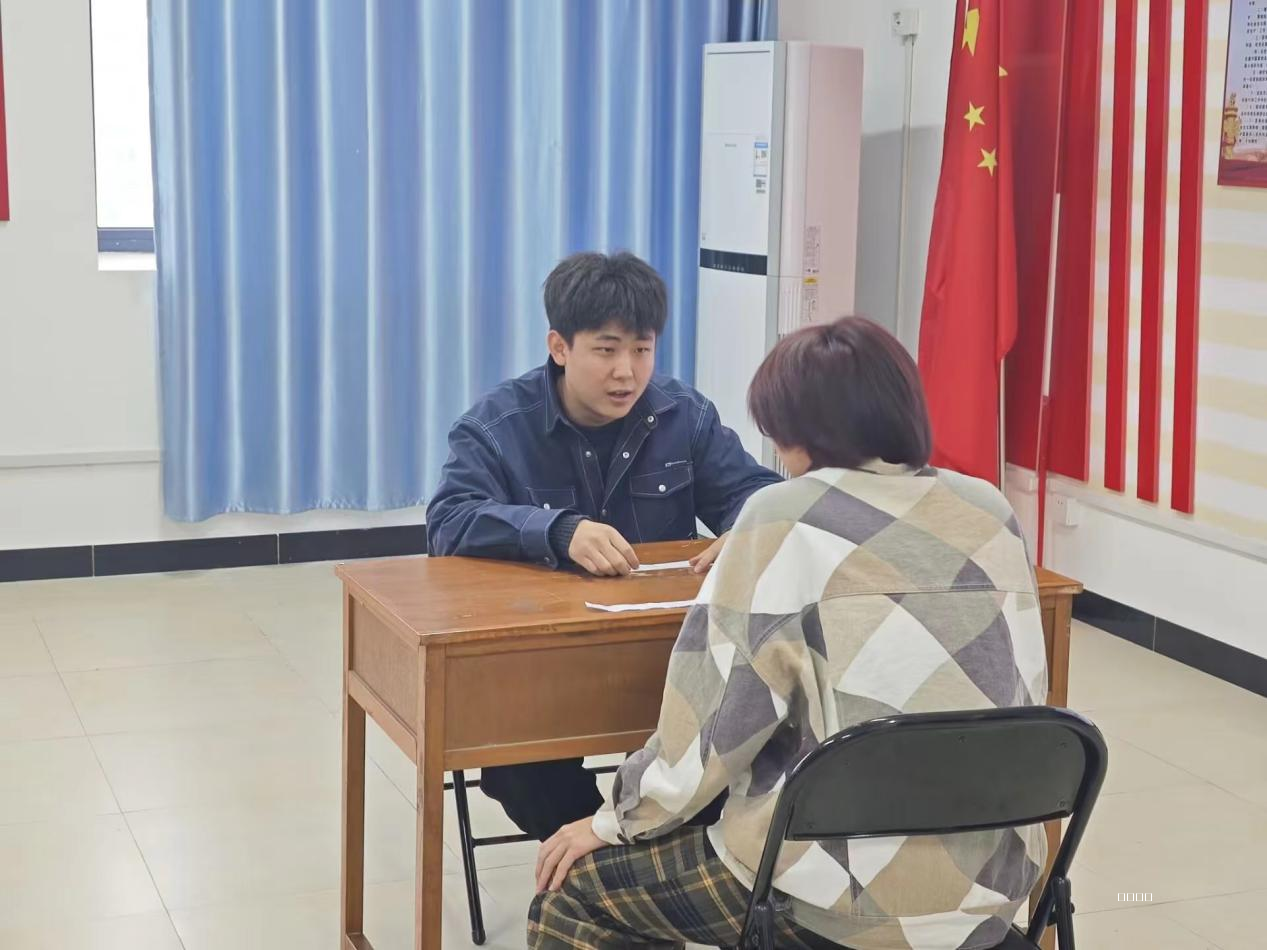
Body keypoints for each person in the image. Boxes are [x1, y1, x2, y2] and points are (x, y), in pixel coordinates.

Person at [529, 316, 1050, 950]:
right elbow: (1024, 692)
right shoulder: (990, 510)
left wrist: (613, 820)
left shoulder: (783, 516)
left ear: (798, 431)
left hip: (834, 898)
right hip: (989, 889)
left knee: (572, 893)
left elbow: (711, 733)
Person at [426, 250, 781, 841]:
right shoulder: (497, 425)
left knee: (741, 740)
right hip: (544, 662)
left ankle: (648, 853)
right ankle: (608, 859)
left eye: (642, 350)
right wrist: (559, 530)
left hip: (669, 658)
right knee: (520, 769)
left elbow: (758, 494)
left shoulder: (684, 415)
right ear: (559, 347)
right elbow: (448, 521)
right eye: (607, 350)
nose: (627, 373)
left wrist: (747, 528)